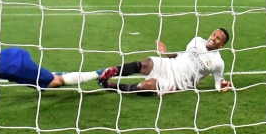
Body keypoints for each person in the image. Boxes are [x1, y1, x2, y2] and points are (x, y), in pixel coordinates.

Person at [96, 29, 231, 94]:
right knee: (145, 63)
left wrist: (224, 86)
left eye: (218, 38)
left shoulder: (217, 62)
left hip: (177, 81)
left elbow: (219, 84)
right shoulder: (196, 40)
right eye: (214, 34)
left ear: (222, 45)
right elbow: (180, 55)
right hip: (169, 65)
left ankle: (114, 87)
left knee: (146, 86)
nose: (213, 38)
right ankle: (112, 72)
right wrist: (165, 52)